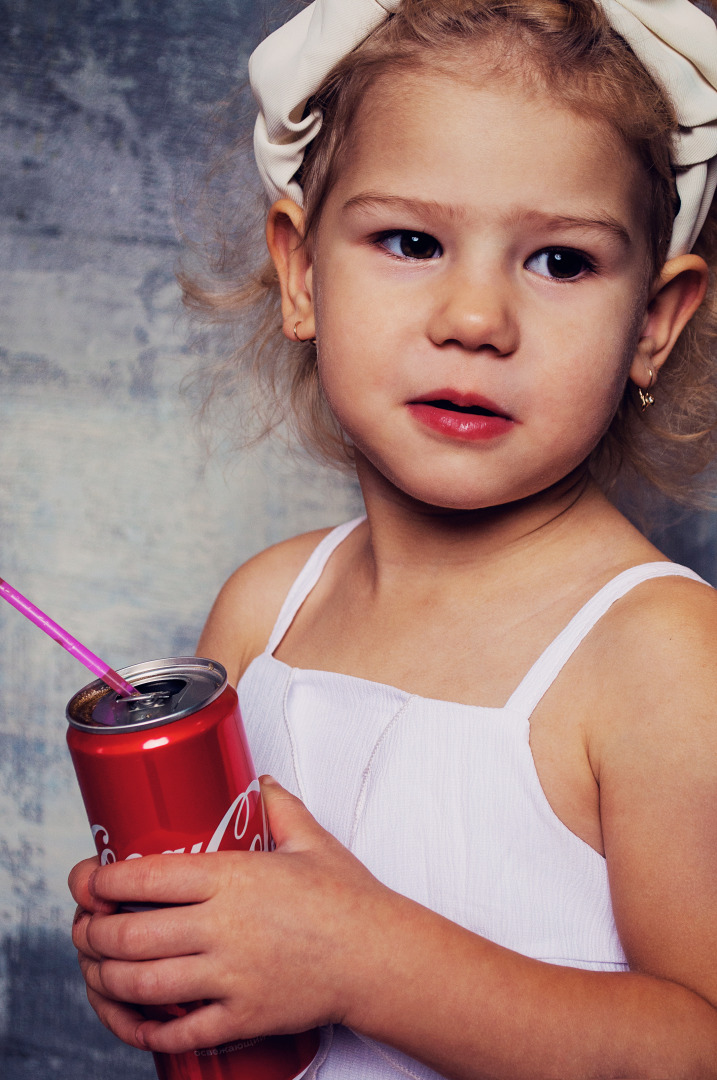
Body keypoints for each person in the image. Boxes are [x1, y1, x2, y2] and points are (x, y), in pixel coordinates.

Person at [69, 1, 717, 1077]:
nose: (475, 317)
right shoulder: (264, 608)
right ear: (302, 272)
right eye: (411, 241)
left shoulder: (663, 658)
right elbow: (249, 955)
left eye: (560, 262)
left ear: (655, 321)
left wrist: (366, 964)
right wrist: (168, 953)